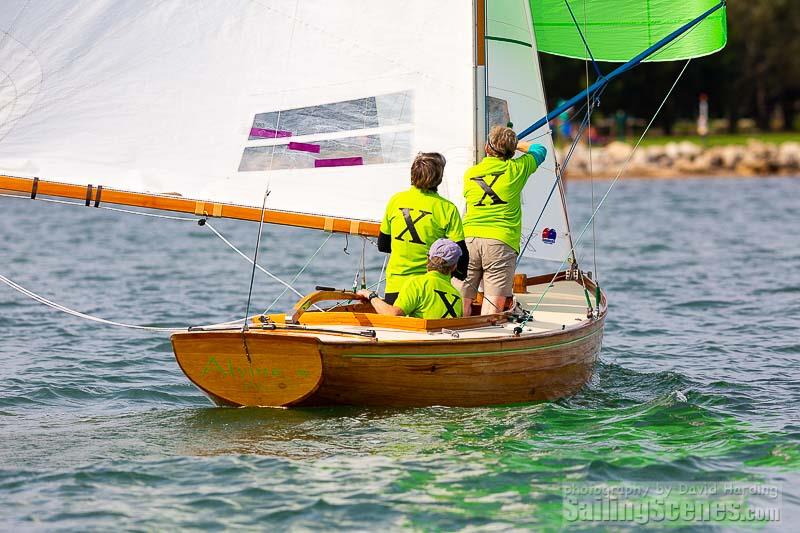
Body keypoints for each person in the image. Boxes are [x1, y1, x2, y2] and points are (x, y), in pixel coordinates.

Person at [461, 126, 547, 316]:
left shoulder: (469, 174)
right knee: (493, 305)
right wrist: (515, 145)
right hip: (500, 242)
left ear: (486, 148)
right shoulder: (516, 169)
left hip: (469, 240)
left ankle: (458, 334)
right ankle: (483, 339)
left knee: (464, 298)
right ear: (510, 151)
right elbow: (540, 150)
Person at [378, 152, 468, 304]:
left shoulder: (396, 200)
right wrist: (459, 275)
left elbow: (383, 245)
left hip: (396, 286)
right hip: (429, 289)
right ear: (438, 178)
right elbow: (462, 256)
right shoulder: (447, 208)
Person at [358, 238, 463, 319]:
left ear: (428, 258)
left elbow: (393, 315)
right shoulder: (457, 297)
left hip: (420, 343)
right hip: (443, 344)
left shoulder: (417, 284)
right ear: (454, 266)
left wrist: (371, 296)